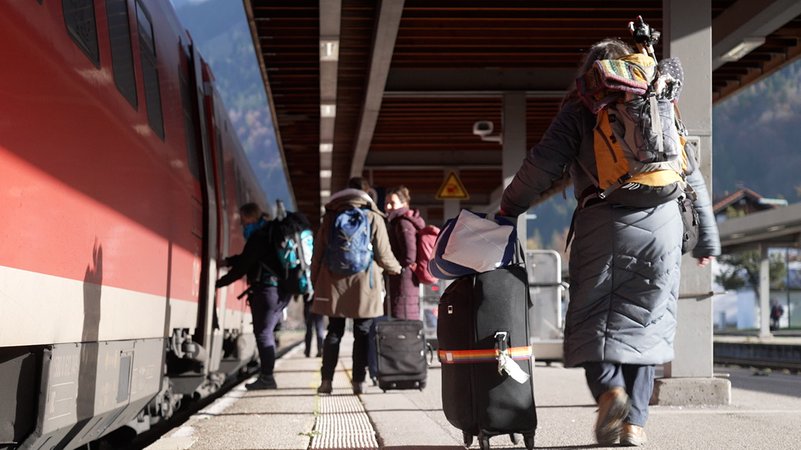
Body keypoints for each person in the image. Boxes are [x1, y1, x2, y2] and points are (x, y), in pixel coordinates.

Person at [500, 39, 720, 446]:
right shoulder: (660, 104)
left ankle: (609, 392)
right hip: (666, 225)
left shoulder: (583, 107)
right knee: (648, 325)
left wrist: (509, 207)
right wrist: (707, 238)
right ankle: (634, 423)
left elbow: (542, 164)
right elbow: (692, 176)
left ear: (592, 71)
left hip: (605, 222)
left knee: (591, 319)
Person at [312, 177, 402, 395]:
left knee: (334, 331)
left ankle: (326, 381)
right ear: (366, 192)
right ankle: (358, 382)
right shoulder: (373, 216)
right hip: (365, 283)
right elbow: (383, 254)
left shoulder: (331, 217)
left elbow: (318, 254)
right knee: (362, 333)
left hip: (333, 282)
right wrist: (397, 269)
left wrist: (316, 281)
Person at [215, 203, 291, 390]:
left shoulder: (259, 236)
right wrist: (228, 261)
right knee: (266, 333)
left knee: (263, 334)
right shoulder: (267, 234)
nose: (242, 225)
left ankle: (267, 378)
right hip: (279, 290)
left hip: (267, 290)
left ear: (249, 217)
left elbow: (243, 266)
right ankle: (267, 377)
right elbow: (248, 258)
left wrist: (218, 283)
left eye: (242, 220)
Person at [385, 185, 425, 320]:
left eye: (392, 203)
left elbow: (409, 255)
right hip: (406, 279)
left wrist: (394, 268)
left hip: (403, 279)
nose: (388, 207)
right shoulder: (399, 222)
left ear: (404, 204)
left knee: (402, 320)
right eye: (387, 203)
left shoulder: (402, 223)